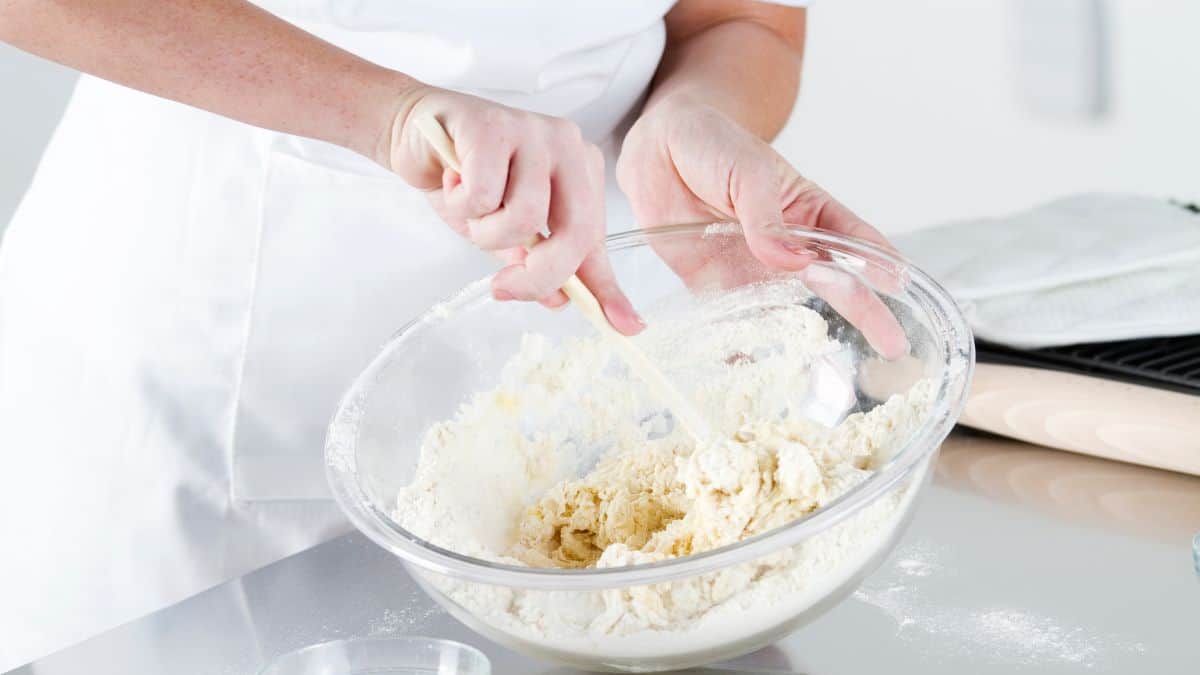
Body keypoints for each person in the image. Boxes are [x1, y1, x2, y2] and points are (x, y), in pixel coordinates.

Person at [0, 0, 900, 667]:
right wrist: (384, 111)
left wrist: (690, 114)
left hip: (604, 364)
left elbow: (742, 20)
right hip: (214, 376)